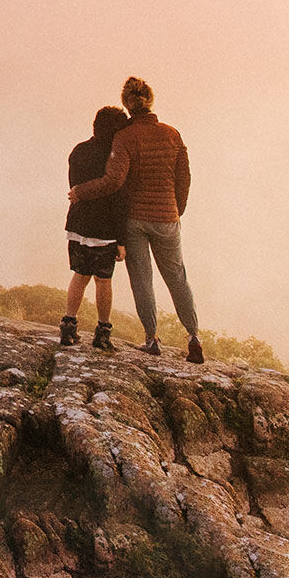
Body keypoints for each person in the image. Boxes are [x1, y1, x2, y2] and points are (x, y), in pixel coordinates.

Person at [67, 76, 205, 363]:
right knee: (177, 277)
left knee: (142, 280)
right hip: (167, 217)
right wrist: (176, 209)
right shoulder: (172, 134)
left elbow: (114, 181)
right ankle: (193, 337)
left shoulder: (125, 137)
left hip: (136, 219)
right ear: (150, 101)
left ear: (126, 104)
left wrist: (81, 191)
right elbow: (184, 177)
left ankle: (152, 340)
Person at [62, 106, 131, 349]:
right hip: (104, 229)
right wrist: (122, 240)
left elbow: (75, 187)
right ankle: (102, 332)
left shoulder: (78, 150)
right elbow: (118, 199)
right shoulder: (114, 157)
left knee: (80, 276)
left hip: (78, 224)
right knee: (103, 280)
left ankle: (68, 326)